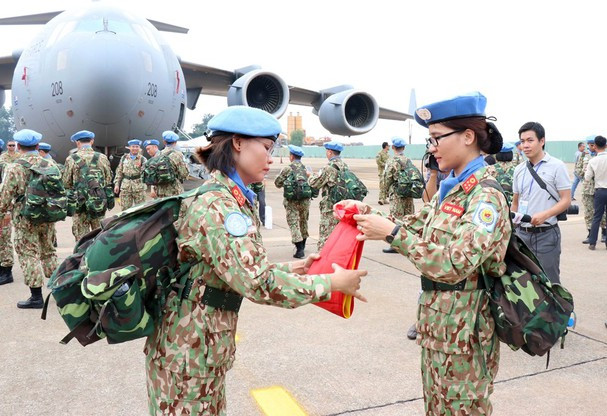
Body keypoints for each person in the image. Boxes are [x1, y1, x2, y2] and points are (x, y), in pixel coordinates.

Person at [144, 106, 366, 415]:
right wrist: (331, 283)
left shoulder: (230, 197)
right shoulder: (220, 207)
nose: (271, 158)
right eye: (265, 147)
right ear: (237, 143)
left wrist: (294, 268)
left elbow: (232, 270)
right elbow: (258, 284)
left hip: (198, 349)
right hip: (187, 355)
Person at [349, 92, 509, 414]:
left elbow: (454, 263)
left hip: (465, 338)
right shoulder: (452, 189)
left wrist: (392, 235)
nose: (431, 147)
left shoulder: (484, 197)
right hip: (439, 330)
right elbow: (411, 224)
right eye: (429, 139)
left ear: (467, 137)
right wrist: (363, 212)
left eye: (437, 138)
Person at [0, 130, 58, 308]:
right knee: (48, 252)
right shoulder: (49, 164)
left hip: (24, 217)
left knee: (28, 255)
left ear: (18, 147)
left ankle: (36, 297)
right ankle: (61, 291)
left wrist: (2, 215)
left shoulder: (14, 167)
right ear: (38, 146)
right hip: (47, 216)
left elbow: (5, 196)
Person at [511, 121, 571, 284]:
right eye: (522, 141)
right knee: (524, 283)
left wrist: (546, 214)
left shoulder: (557, 166)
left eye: (530, 140)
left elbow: (566, 199)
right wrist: (512, 227)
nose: (525, 145)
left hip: (546, 235)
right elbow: (515, 201)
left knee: (549, 282)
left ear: (542, 141)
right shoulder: (519, 170)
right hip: (522, 235)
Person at [62, 130, 112, 241]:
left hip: (79, 205)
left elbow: (66, 182)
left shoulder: (71, 159)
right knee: (100, 238)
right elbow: (108, 179)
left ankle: (82, 258)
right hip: (98, 203)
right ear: (92, 141)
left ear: (77, 143)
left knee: (82, 239)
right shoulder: (102, 158)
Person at [309, 141, 349, 251]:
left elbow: (315, 184)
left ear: (330, 152)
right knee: (339, 234)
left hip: (330, 206)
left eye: (327, 151)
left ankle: (322, 260)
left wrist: (311, 176)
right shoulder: (344, 166)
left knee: (325, 235)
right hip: (342, 205)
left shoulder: (329, 167)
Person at [274, 145, 311, 258]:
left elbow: (278, 183)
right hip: (305, 200)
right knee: (303, 221)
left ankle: (299, 249)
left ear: (291, 156)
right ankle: (303, 245)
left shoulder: (287, 169)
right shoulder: (306, 168)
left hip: (291, 201)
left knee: (294, 223)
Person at [382, 137, 415, 253]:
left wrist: (384, 193)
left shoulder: (391, 161)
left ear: (393, 147)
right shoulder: (408, 160)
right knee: (409, 218)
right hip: (408, 193)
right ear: (404, 148)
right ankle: (410, 244)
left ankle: (395, 246)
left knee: (395, 219)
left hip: (396, 194)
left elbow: (386, 178)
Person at [580, 137, 607, 243]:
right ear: (606, 146)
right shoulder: (586, 156)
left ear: (595, 146)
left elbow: (586, 177)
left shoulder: (593, 161)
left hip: (599, 190)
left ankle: (592, 242)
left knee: (596, 216)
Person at [0, 138, 19, 284]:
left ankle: (6, 271)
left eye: (14, 145)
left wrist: (6, 210)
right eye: (10, 145)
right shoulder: (3, 159)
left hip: (4, 202)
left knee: (4, 238)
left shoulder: (7, 164)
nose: (11, 147)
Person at [150, 131, 189, 198]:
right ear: (175, 142)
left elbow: (153, 173)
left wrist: (152, 188)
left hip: (159, 190)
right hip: (174, 190)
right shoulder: (177, 155)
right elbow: (184, 174)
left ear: (164, 142)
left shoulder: (157, 155)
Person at [114, 139, 147, 210]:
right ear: (129, 147)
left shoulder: (143, 159)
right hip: (126, 187)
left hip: (139, 188)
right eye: (133, 146)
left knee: (141, 209)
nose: (135, 148)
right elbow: (119, 172)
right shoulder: (124, 158)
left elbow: (146, 173)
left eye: (137, 146)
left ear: (139, 148)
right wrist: (117, 184)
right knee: (125, 209)